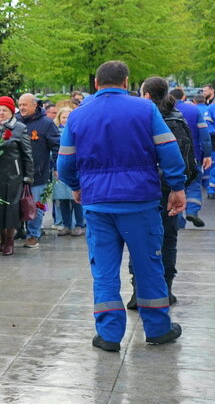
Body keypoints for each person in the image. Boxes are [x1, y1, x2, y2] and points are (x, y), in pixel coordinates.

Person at [57, 60, 186, 351]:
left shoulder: (78, 116)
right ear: (126, 82)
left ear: (96, 83)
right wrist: (177, 187)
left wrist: (77, 187)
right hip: (140, 202)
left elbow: (64, 163)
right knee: (149, 266)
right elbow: (169, 150)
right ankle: (158, 328)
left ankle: (109, 335)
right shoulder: (145, 109)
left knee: (103, 270)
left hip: (98, 205)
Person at [126, 76, 196, 309]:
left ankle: (140, 291)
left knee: (139, 240)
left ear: (146, 96)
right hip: (170, 190)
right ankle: (165, 289)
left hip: (146, 190)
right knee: (167, 240)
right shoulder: (177, 118)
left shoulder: (141, 119)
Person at [0, 97, 33, 256]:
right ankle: (2, 238)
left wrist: (28, 177)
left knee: (11, 210)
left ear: (11, 113)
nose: (1, 113)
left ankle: (10, 241)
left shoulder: (19, 128)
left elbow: (27, 154)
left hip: (13, 176)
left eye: (4, 110)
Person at [16, 93, 60, 248]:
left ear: (35, 106)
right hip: (17, 172)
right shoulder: (14, 121)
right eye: (20, 104)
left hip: (38, 172)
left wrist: (56, 167)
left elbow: (56, 146)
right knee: (17, 203)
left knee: (35, 204)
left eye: (25, 105)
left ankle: (33, 234)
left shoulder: (46, 124)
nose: (22, 108)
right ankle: (18, 230)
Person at [172, 86, 212, 228]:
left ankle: (178, 219)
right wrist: (207, 154)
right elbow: (204, 135)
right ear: (184, 97)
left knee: (175, 185)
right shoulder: (194, 110)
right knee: (194, 183)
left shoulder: (163, 111)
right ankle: (192, 210)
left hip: (171, 157)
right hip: (193, 155)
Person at [51, 107, 85, 236]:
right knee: (62, 198)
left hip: (74, 167)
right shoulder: (54, 131)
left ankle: (79, 224)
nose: (66, 120)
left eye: (68, 117)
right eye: (63, 117)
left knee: (76, 198)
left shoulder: (76, 131)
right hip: (59, 169)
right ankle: (66, 224)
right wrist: (55, 168)